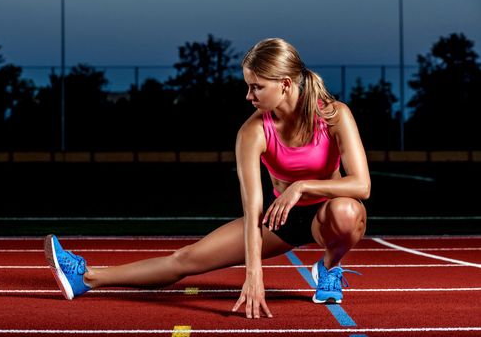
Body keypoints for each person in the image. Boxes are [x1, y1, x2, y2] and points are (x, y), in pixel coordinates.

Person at [44, 37, 370, 319]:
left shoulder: (333, 115)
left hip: (326, 214)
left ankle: (328, 267)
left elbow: (361, 185)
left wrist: (302, 186)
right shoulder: (253, 131)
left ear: (285, 84)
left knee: (347, 211)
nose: (248, 96)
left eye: (257, 87)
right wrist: (253, 273)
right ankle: (86, 278)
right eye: (248, 86)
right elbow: (253, 206)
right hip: (277, 217)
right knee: (186, 258)